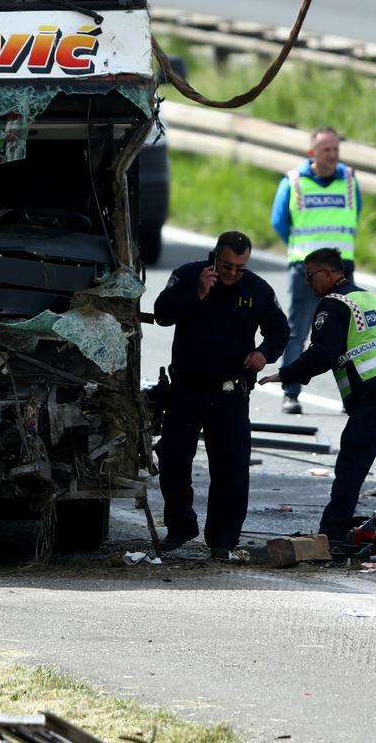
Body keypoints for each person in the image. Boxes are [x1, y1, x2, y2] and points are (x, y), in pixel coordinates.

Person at [259, 247, 376, 545]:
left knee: (351, 464)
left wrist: (286, 374)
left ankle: (332, 535)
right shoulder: (366, 297)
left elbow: (322, 354)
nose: (307, 282)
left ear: (330, 273)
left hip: (375, 390)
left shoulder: (333, 304)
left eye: (310, 276)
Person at [152, 231, 290, 559]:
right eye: (227, 266)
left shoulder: (256, 288)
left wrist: (264, 353)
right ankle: (180, 525)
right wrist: (198, 293)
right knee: (173, 457)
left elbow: (279, 329)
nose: (232, 273)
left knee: (231, 467)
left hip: (230, 392)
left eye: (239, 267)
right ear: (214, 257)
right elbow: (162, 314)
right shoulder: (188, 276)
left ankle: (223, 540)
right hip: (187, 388)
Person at [271, 127, 361, 415]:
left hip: (341, 269)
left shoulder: (349, 180)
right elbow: (279, 222)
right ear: (312, 153)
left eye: (335, 149)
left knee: (347, 336)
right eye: (326, 150)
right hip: (305, 270)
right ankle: (291, 393)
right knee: (299, 332)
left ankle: (351, 395)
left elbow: (355, 214)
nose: (332, 155)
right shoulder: (294, 182)